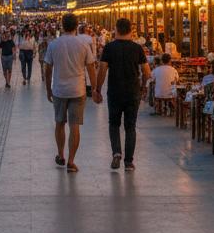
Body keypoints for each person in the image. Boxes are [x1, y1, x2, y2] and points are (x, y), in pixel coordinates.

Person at [44, 13, 99, 173]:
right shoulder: (83, 45)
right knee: (75, 126)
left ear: (62, 25)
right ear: (77, 26)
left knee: (59, 123)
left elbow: (47, 69)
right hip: (78, 90)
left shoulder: (54, 44)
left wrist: (48, 89)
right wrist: (95, 89)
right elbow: (91, 68)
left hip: (59, 90)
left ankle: (60, 154)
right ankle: (71, 161)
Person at [95, 18, 150, 171]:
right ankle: (129, 162)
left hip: (114, 91)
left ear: (116, 29)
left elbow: (102, 69)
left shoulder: (109, 48)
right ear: (131, 30)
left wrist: (97, 89)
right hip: (133, 92)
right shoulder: (137, 48)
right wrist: (143, 86)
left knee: (114, 124)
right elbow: (146, 71)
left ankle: (116, 153)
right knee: (130, 127)